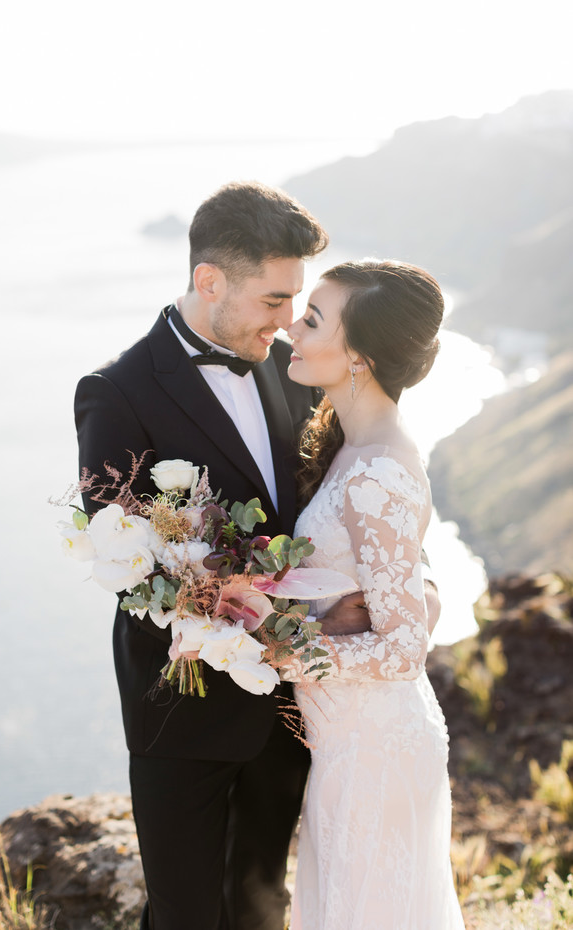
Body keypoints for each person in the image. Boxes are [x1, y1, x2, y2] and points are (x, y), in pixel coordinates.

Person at [75, 183, 440, 930]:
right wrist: (251, 626)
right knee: (183, 916)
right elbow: (127, 566)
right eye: (275, 300)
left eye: (300, 305)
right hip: (185, 715)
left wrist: (416, 590)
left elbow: (370, 500)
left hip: (293, 716)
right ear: (210, 282)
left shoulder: (296, 367)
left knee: (262, 905)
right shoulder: (117, 393)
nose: (287, 324)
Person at [284, 259, 465, 929]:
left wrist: (290, 651)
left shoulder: (378, 468)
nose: (292, 334)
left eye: (311, 320)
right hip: (350, 744)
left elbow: (403, 646)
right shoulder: (358, 447)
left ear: (357, 355)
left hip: (374, 750)